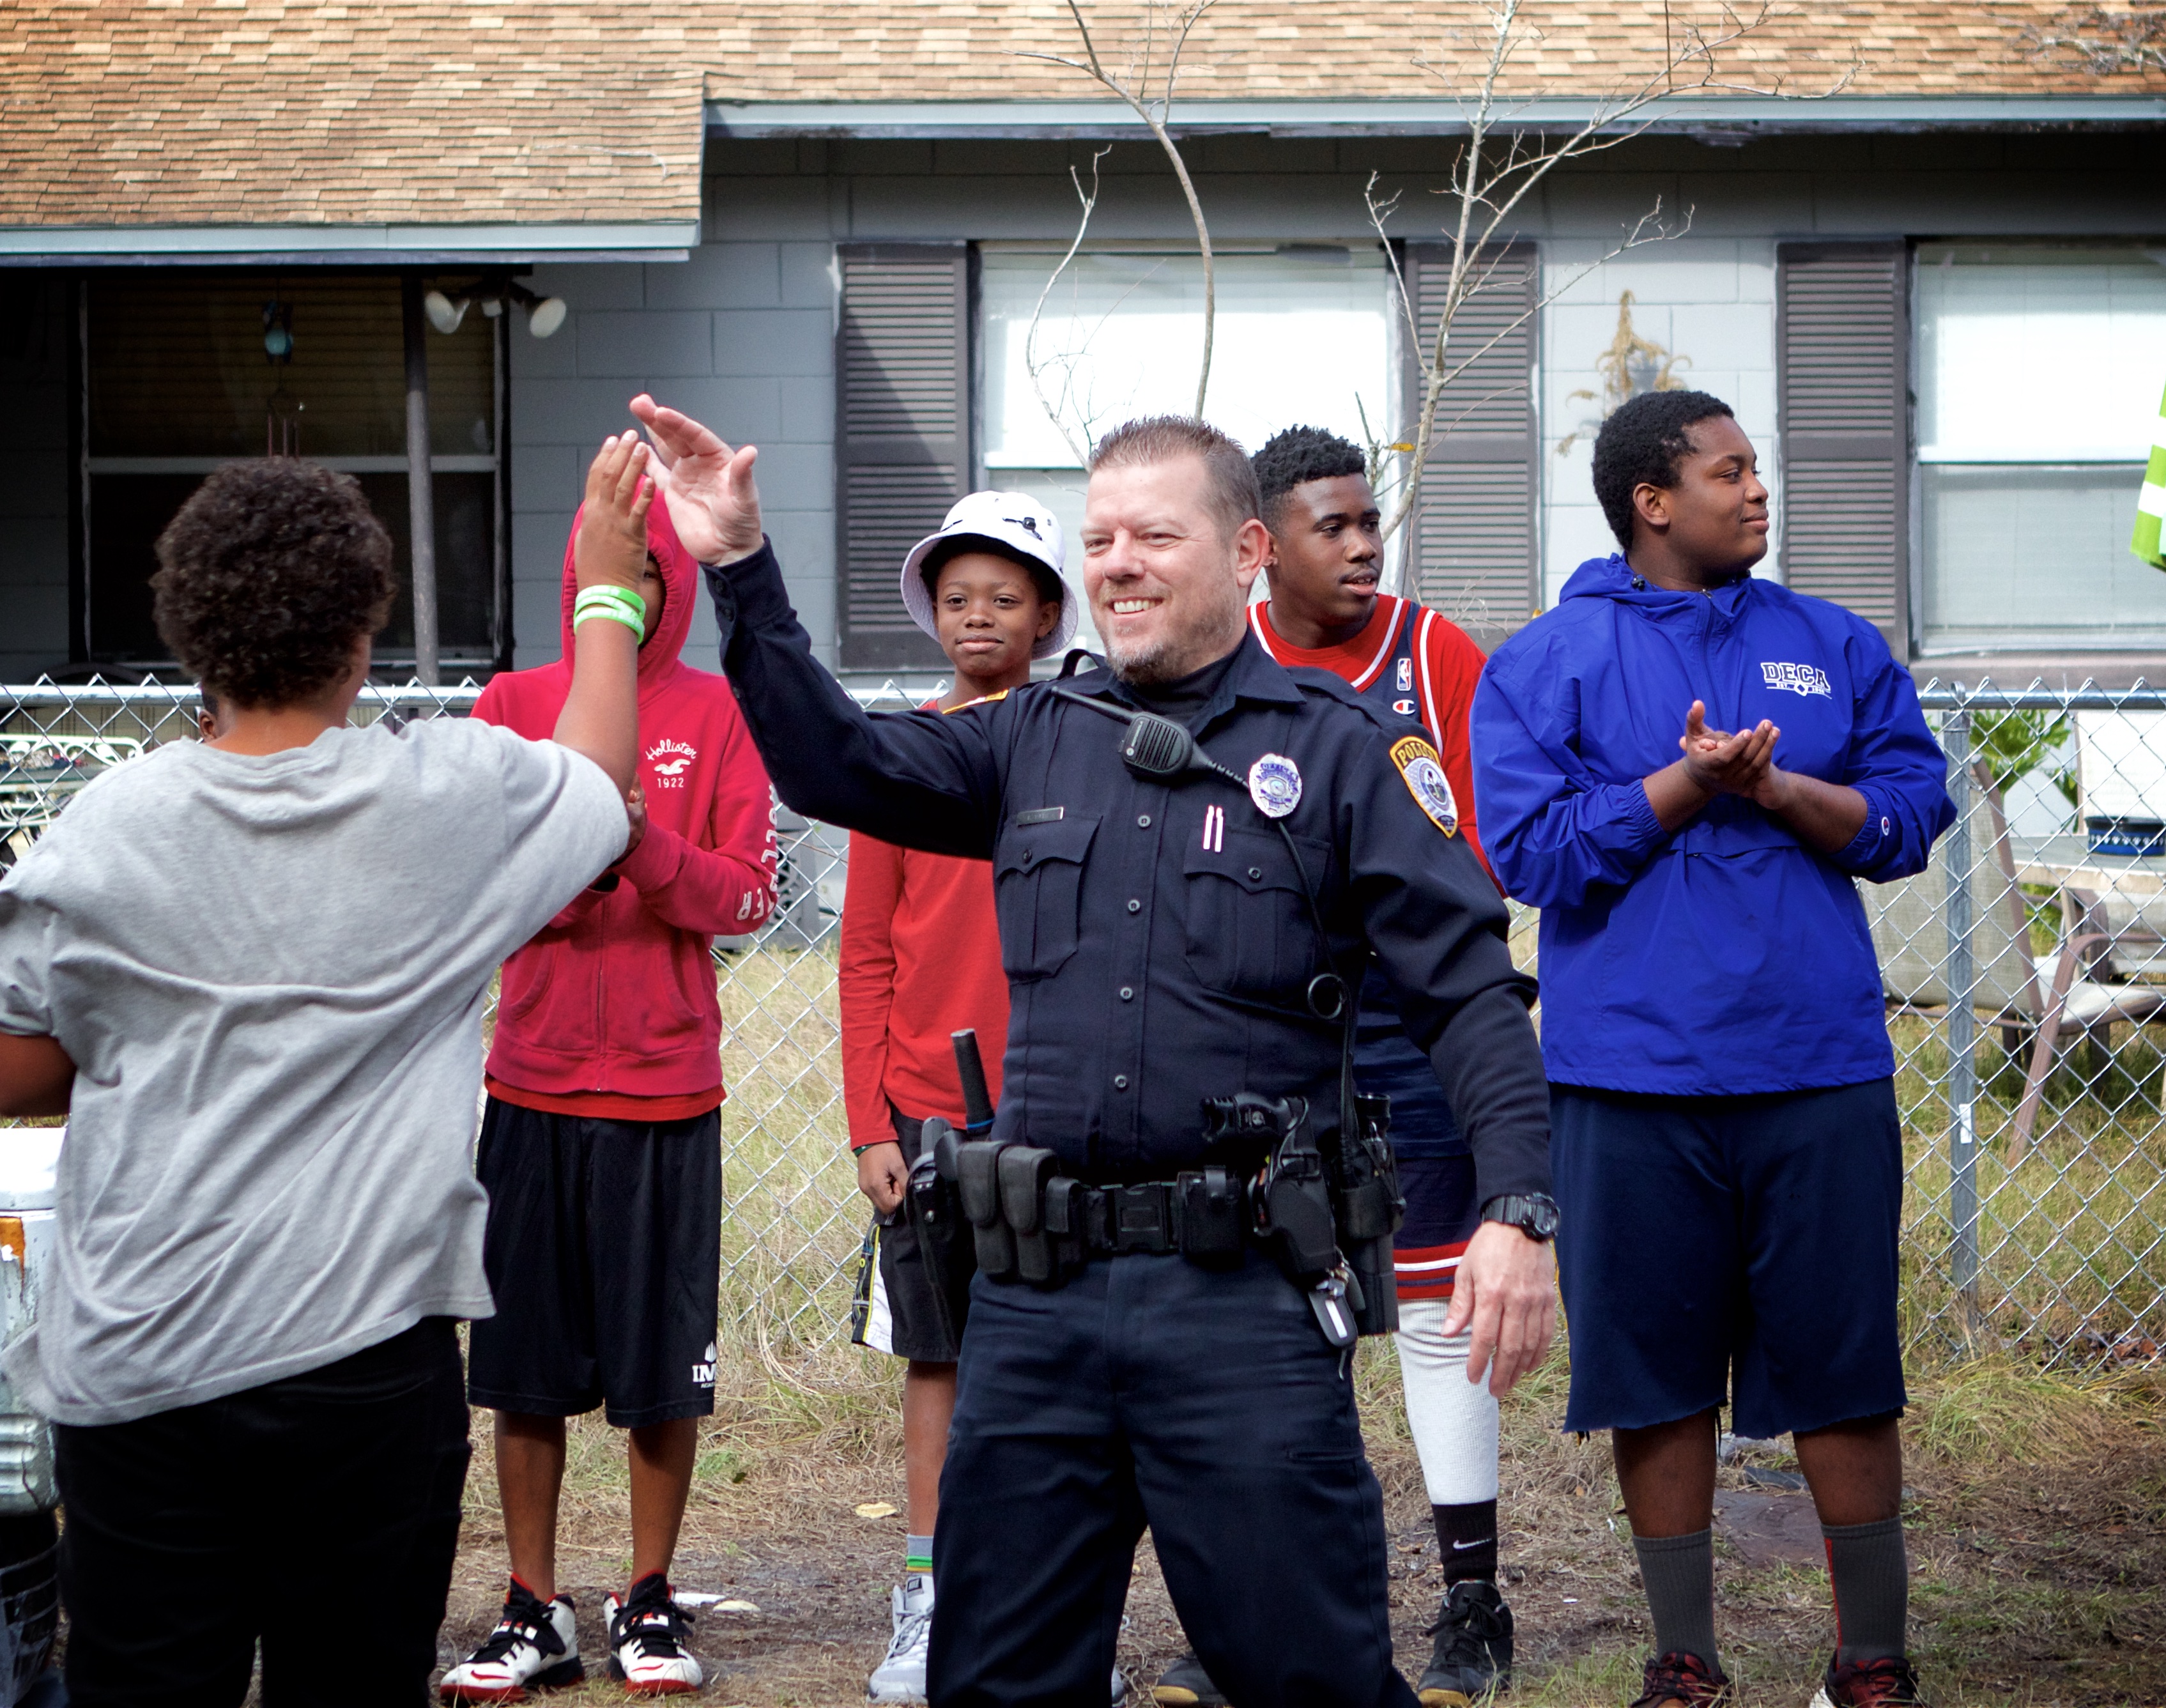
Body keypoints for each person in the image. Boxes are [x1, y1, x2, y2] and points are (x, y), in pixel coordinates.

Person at [632, 393, 1560, 1708]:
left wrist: (1517, 1207)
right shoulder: (1030, 736)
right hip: (1036, 1304)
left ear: (1244, 555)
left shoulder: (1337, 756)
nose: (1116, 561)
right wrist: (740, 565)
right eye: (1100, 537)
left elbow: (1468, 990)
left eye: (1153, 536)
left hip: (1242, 1301)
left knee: (1309, 1674)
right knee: (997, 1679)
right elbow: (829, 761)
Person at [0, 443, 650, 1706]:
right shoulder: (450, 796)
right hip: (365, 1368)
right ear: (362, 633)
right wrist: (606, 586)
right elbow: (600, 783)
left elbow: (15, 1069)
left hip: (139, 1361)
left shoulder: (106, 824)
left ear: (186, 635)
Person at [1470, 389, 1953, 1708]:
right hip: (1630, 1084)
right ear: (1651, 500)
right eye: (1729, 471)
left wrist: (1781, 788)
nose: (1757, 491)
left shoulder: (1827, 641)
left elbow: (1913, 813)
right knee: (1655, 1378)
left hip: (1818, 1068)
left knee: (1844, 1372)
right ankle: (1685, 1659)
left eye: (1757, 471)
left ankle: (1870, 1663)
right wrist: (1685, 784)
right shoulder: (1546, 659)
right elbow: (1531, 856)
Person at [1141, 423, 1508, 1708]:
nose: (1361, 544)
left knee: (1431, 1300)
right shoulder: (1216, 667)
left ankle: (1472, 1597)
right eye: (1331, 526)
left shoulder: (1428, 652)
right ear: (1262, 546)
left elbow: (1482, 850)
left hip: (1410, 1024)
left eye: (1369, 521)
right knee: (1275, 1315)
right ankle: (1243, 1613)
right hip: (1265, 1034)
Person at [441, 461, 781, 1701]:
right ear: (580, 577)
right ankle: (534, 1606)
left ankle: (647, 1594)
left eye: (648, 568)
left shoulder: (718, 710)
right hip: (529, 1084)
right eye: (607, 567)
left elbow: (748, 892)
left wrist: (643, 844)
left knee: (655, 1372)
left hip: (664, 1091)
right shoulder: (512, 701)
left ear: (670, 582)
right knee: (519, 1368)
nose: (628, 590)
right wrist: (576, 850)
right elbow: (483, 880)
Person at [841, 491, 1070, 1704]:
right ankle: (929, 1596)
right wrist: (869, 1120)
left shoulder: (1078, 738)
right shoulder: (900, 753)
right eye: (955, 598)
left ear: (1047, 613)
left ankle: (1039, 1610)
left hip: (1061, 1105)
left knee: (1060, 1370)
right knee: (939, 1359)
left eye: (1004, 596)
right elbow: (865, 947)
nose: (977, 616)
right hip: (929, 1112)